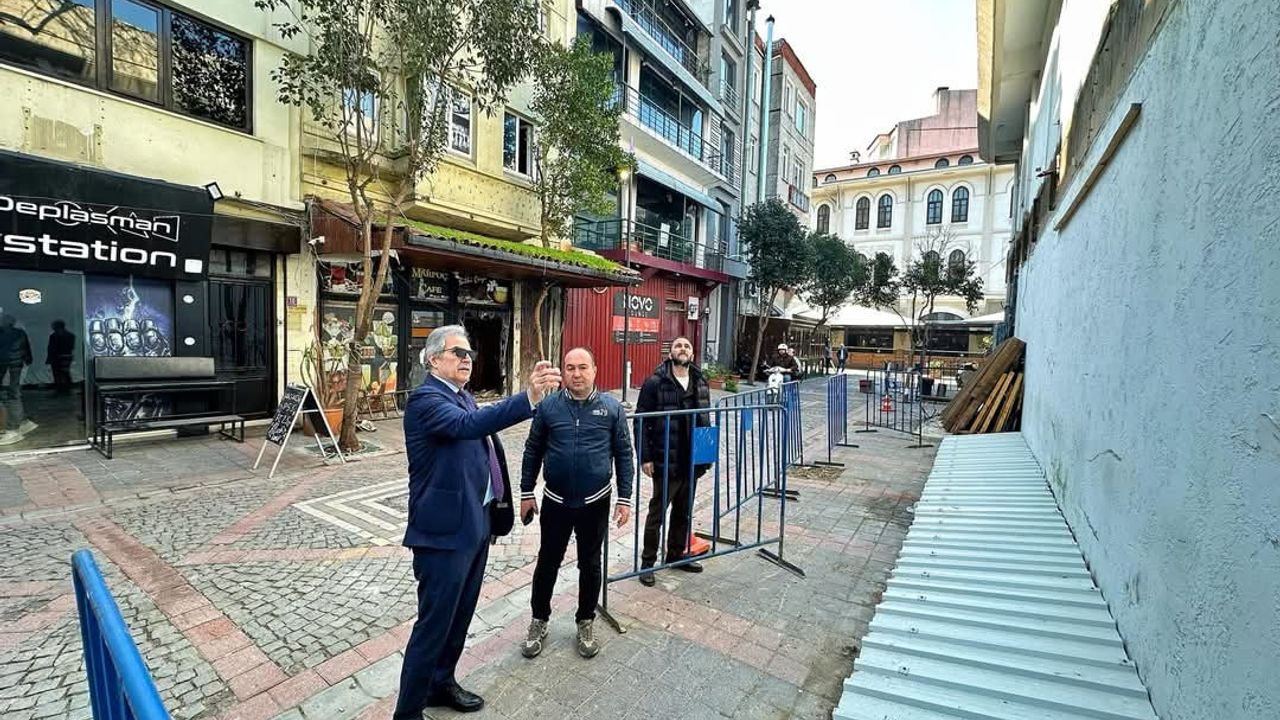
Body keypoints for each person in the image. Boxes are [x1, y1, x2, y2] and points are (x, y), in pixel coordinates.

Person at [394, 325, 561, 718]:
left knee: (460, 616)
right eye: (458, 352)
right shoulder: (426, 400)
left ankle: (441, 684)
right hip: (443, 534)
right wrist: (529, 397)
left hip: (475, 524)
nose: (467, 359)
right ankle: (408, 712)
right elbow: (469, 426)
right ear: (434, 359)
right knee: (433, 626)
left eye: (469, 353)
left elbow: (480, 436)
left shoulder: (462, 395)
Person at [519, 347, 634, 659]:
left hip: (595, 502)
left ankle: (585, 620)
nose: (576, 374)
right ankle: (539, 619)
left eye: (583, 367)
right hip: (555, 501)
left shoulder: (612, 409)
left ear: (594, 370)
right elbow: (532, 449)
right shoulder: (548, 407)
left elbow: (624, 454)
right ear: (563, 372)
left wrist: (625, 498)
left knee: (591, 564)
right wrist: (527, 492)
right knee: (547, 562)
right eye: (570, 368)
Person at [635, 337, 711, 586]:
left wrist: (706, 455)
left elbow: (705, 418)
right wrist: (645, 456)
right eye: (678, 346)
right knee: (657, 514)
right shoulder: (655, 382)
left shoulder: (700, 381)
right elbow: (641, 420)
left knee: (683, 512)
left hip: (691, 460)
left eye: (687, 346)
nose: (683, 349)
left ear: (692, 354)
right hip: (666, 459)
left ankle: (676, 555)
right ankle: (647, 563)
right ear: (670, 353)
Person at [0, 315, 35, 446]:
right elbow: (27, 349)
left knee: (11, 396)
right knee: (13, 394)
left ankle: (13, 429)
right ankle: (21, 422)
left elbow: (4, 353)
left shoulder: (3, 334)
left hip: (7, 367)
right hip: (16, 366)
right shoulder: (19, 333)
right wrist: (27, 360)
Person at [47, 321, 76, 396]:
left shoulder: (54, 336)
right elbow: (71, 347)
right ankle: (66, 389)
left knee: (58, 374)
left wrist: (49, 358)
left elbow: (51, 348)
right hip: (66, 356)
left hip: (58, 357)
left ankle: (60, 389)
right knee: (65, 373)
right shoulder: (70, 335)